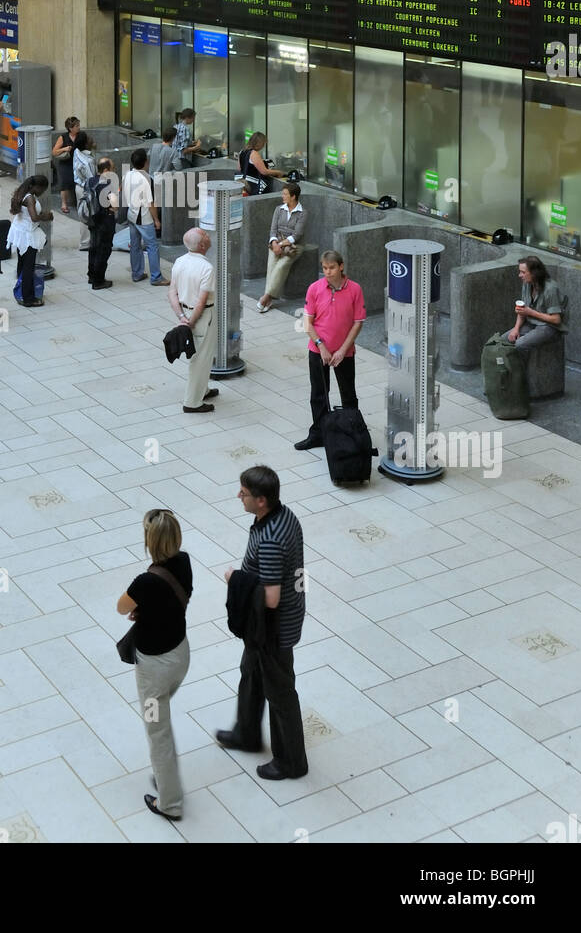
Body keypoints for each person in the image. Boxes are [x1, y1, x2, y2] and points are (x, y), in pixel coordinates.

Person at [216, 465, 308, 781]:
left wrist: (235, 579)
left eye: (244, 493)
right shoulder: (286, 516)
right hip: (271, 624)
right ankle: (247, 733)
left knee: (280, 692)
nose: (238, 496)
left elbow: (271, 599)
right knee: (251, 674)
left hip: (273, 629)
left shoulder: (270, 538)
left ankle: (291, 761)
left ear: (261, 500)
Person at [116, 509, 192, 822]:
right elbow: (169, 602)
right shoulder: (184, 562)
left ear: (150, 541)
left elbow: (121, 607)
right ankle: (166, 779)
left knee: (156, 730)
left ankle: (169, 803)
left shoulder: (145, 581)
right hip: (180, 657)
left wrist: (140, 608)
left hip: (153, 671)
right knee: (160, 717)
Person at [294, 249, 366, 451]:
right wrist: (321, 347)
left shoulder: (355, 289)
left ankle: (354, 433)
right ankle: (318, 433)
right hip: (318, 351)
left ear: (341, 266)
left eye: (332, 267)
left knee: (348, 394)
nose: (327, 272)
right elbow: (308, 323)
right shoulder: (315, 288)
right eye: (324, 268)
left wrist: (343, 350)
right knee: (318, 394)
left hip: (345, 352)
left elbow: (357, 323)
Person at [167, 227, 217, 413]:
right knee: (200, 358)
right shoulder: (207, 268)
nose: (208, 234)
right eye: (205, 234)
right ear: (203, 245)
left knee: (201, 354)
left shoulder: (180, 261)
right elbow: (201, 301)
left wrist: (182, 317)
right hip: (203, 317)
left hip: (186, 313)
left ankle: (203, 389)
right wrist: (191, 322)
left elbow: (172, 292)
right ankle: (192, 402)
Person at [257, 182, 306, 313]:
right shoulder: (279, 209)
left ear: (293, 196)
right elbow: (273, 229)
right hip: (276, 243)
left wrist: (280, 244)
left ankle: (266, 297)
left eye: (285, 194)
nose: (282, 196)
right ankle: (269, 299)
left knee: (281, 266)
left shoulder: (303, 213)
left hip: (294, 247)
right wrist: (274, 243)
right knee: (271, 267)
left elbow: (297, 235)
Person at [505, 256, 565, 359]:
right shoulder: (527, 284)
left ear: (534, 273)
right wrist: (516, 329)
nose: (520, 275)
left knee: (520, 344)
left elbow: (556, 319)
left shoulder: (550, 289)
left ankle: (521, 372)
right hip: (531, 322)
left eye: (523, 272)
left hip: (549, 327)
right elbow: (523, 310)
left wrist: (530, 312)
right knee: (504, 339)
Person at [124, 148, 168, 286]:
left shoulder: (128, 174)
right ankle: (156, 277)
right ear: (146, 162)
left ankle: (136, 273)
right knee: (152, 246)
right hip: (143, 217)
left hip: (131, 214)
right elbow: (151, 203)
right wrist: (156, 220)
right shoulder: (146, 179)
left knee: (135, 245)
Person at [8, 175, 51, 307]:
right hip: (27, 235)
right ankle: (28, 298)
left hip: (20, 231)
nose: (42, 192)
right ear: (35, 187)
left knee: (22, 263)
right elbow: (34, 217)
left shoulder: (23, 193)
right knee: (28, 266)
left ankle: (20, 291)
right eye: (42, 189)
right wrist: (46, 216)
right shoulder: (30, 198)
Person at [88, 156, 118, 290]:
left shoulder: (90, 181)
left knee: (93, 247)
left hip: (92, 219)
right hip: (105, 220)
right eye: (113, 169)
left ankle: (91, 275)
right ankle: (98, 281)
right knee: (103, 249)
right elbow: (115, 205)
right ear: (106, 170)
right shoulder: (107, 184)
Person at [239, 131, 284, 197]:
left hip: (242, 184)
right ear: (258, 143)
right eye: (263, 144)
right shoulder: (254, 153)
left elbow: (240, 168)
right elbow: (264, 171)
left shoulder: (242, 151)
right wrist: (278, 172)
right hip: (251, 186)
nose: (263, 146)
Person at [52, 116, 81, 215]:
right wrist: (64, 149)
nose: (79, 127)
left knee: (78, 182)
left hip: (78, 163)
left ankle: (78, 203)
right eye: (76, 126)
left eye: (78, 125)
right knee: (65, 183)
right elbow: (54, 152)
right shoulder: (63, 137)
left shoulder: (81, 136)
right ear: (70, 128)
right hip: (66, 163)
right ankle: (64, 204)